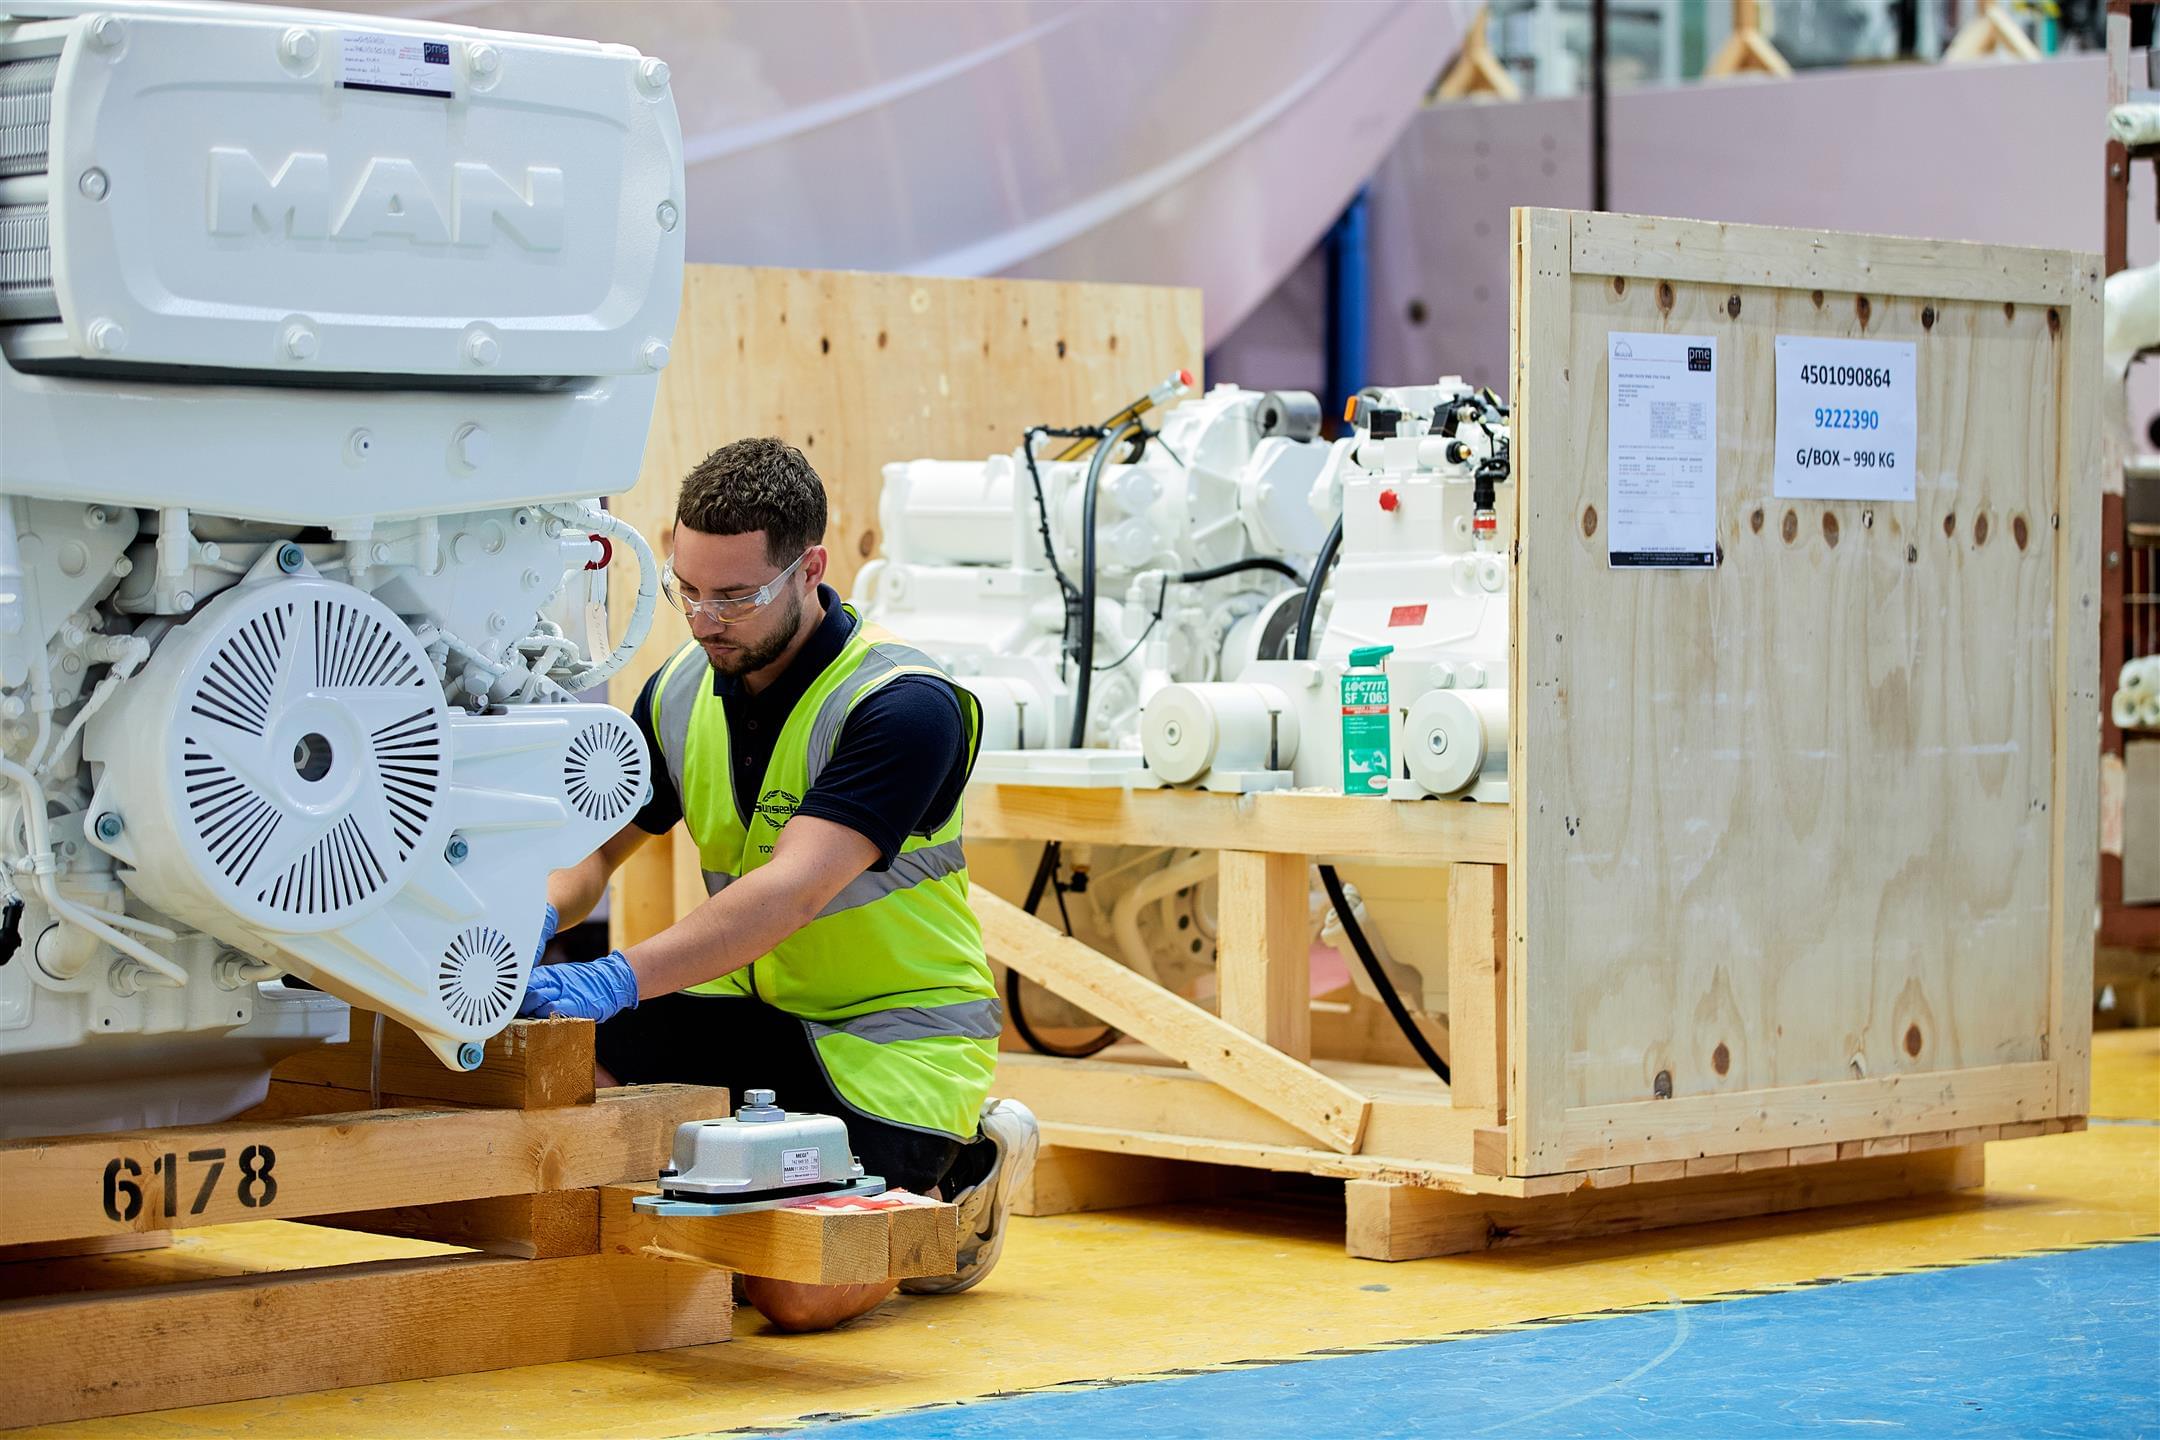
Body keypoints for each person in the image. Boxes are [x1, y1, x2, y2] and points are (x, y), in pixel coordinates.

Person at [520, 436, 1036, 1332]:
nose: (706, 620)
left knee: (790, 1297)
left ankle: (957, 1182)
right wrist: (530, 915)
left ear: (811, 570)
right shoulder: (682, 687)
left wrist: (610, 977)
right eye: (687, 590)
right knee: (564, 1057)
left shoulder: (902, 706)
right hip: (753, 1013)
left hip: (891, 1042)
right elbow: (595, 853)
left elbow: (790, 890)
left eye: (736, 596)